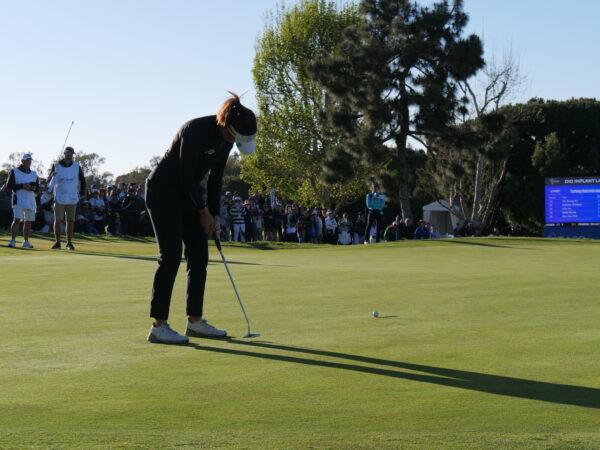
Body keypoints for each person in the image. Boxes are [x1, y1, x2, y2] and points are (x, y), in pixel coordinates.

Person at [145, 93, 257, 345]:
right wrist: (203, 211)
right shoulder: (194, 130)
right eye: (233, 137)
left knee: (199, 256)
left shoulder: (227, 140)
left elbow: (215, 179)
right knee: (171, 255)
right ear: (225, 125)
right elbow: (185, 177)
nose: (233, 142)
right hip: (163, 191)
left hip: (188, 195)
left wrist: (215, 215)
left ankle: (195, 322)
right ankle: (159, 326)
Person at [48, 147, 86, 250]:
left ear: (73, 154)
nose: (69, 155)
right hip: (59, 196)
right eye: (67, 153)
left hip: (72, 197)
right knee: (58, 219)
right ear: (64, 153)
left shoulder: (77, 166)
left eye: (71, 153)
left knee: (70, 221)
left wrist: (82, 193)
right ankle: (57, 242)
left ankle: (69, 243)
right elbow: (49, 181)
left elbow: (82, 180)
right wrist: (52, 175)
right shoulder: (56, 166)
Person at [4, 153, 39, 248]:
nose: (29, 162)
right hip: (18, 199)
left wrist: (32, 188)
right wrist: (22, 186)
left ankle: (26, 242)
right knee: (17, 220)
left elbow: (37, 189)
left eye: (30, 160)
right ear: (22, 161)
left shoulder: (34, 174)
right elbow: (9, 186)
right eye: (27, 160)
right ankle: (12, 241)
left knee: (28, 222)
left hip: (30, 200)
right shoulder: (14, 171)